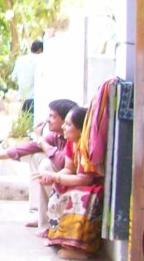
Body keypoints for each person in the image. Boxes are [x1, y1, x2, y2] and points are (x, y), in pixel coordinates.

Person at [0, 98, 77, 230]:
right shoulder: (56, 136)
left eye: (52, 116)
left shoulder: (73, 138)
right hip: (62, 176)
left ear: (65, 121)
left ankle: (47, 223)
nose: (47, 120)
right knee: (36, 156)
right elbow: (24, 149)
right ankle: (39, 212)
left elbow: (61, 161)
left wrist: (41, 139)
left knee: (46, 164)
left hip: (72, 179)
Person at [37, 105, 104, 259]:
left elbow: (85, 179)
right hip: (81, 182)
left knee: (78, 196)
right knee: (58, 189)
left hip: (93, 187)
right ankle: (61, 240)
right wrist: (52, 177)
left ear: (80, 130)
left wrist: (55, 177)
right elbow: (68, 169)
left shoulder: (86, 145)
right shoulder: (71, 143)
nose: (63, 127)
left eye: (68, 124)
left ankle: (82, 250)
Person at [11, 39, 43, 116]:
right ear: (40, 49)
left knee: (25, 118)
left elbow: (14, 78)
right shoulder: (41, 59)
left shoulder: (20, 60)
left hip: (23, 97)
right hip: (35, 98)